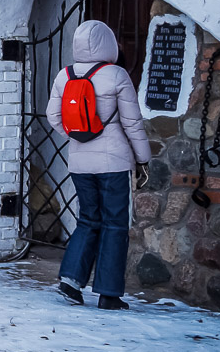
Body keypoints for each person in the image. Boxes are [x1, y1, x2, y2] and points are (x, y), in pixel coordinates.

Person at [46, 19, 151, 310]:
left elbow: (53, 116)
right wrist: (143, 158)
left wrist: (79, 134)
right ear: (107, 43)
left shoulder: (64, 76)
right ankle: (108, 293)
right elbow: (132, 124)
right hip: (114, 162)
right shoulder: (116, 75)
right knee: (115, 225)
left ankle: (70, 281)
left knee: (88, 219)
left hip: (79, 162)